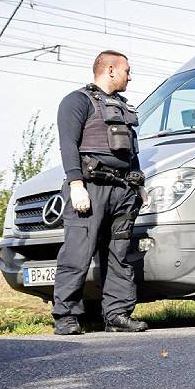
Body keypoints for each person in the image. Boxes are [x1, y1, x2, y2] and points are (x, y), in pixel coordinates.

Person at [51, 51, 148, 335]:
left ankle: (117, 315)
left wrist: (139, 184)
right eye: (127, 70)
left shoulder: (122, 106)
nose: (130, 76)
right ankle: (66, 316)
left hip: (123, 190)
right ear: (109, 70)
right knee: (77, 253)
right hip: (90, 188)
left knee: (119, 254)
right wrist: (75, 184)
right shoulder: (77, 101)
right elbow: (68, 145)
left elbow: (131, 150)